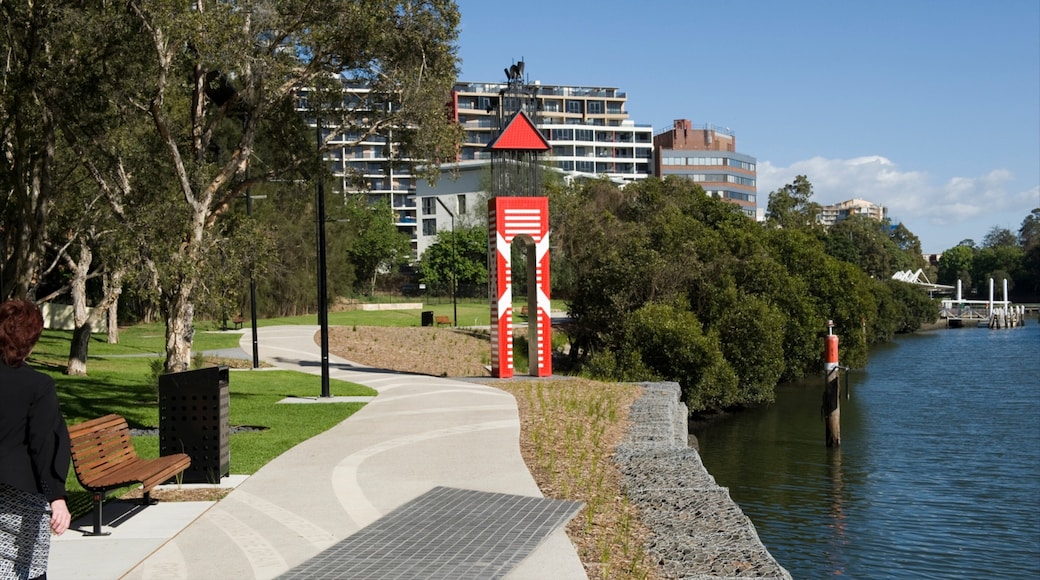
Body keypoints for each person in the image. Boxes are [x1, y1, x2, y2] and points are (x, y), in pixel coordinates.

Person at [0, 299, 71, 580]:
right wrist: (57, 497)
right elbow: (44, 443)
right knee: (27, 571)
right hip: (21, 494)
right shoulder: (38, 386)